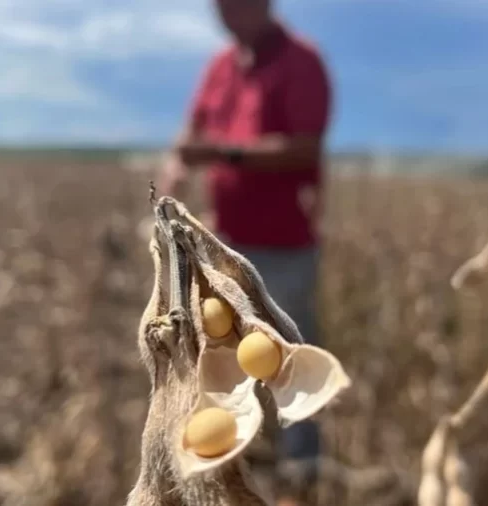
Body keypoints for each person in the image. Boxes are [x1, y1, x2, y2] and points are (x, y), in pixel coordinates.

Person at [156, 0, 332, 504]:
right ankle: (242, 465)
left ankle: (303, 475)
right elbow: (190, 131)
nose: (227, 13)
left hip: (283, 245)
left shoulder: (302, 61)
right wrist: (175, 168)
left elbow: (305, 148)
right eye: (221, 5)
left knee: (289, 361)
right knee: (217, 359)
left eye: (237, 3)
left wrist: (222, 153)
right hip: (221, 244)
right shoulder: (220, 66)